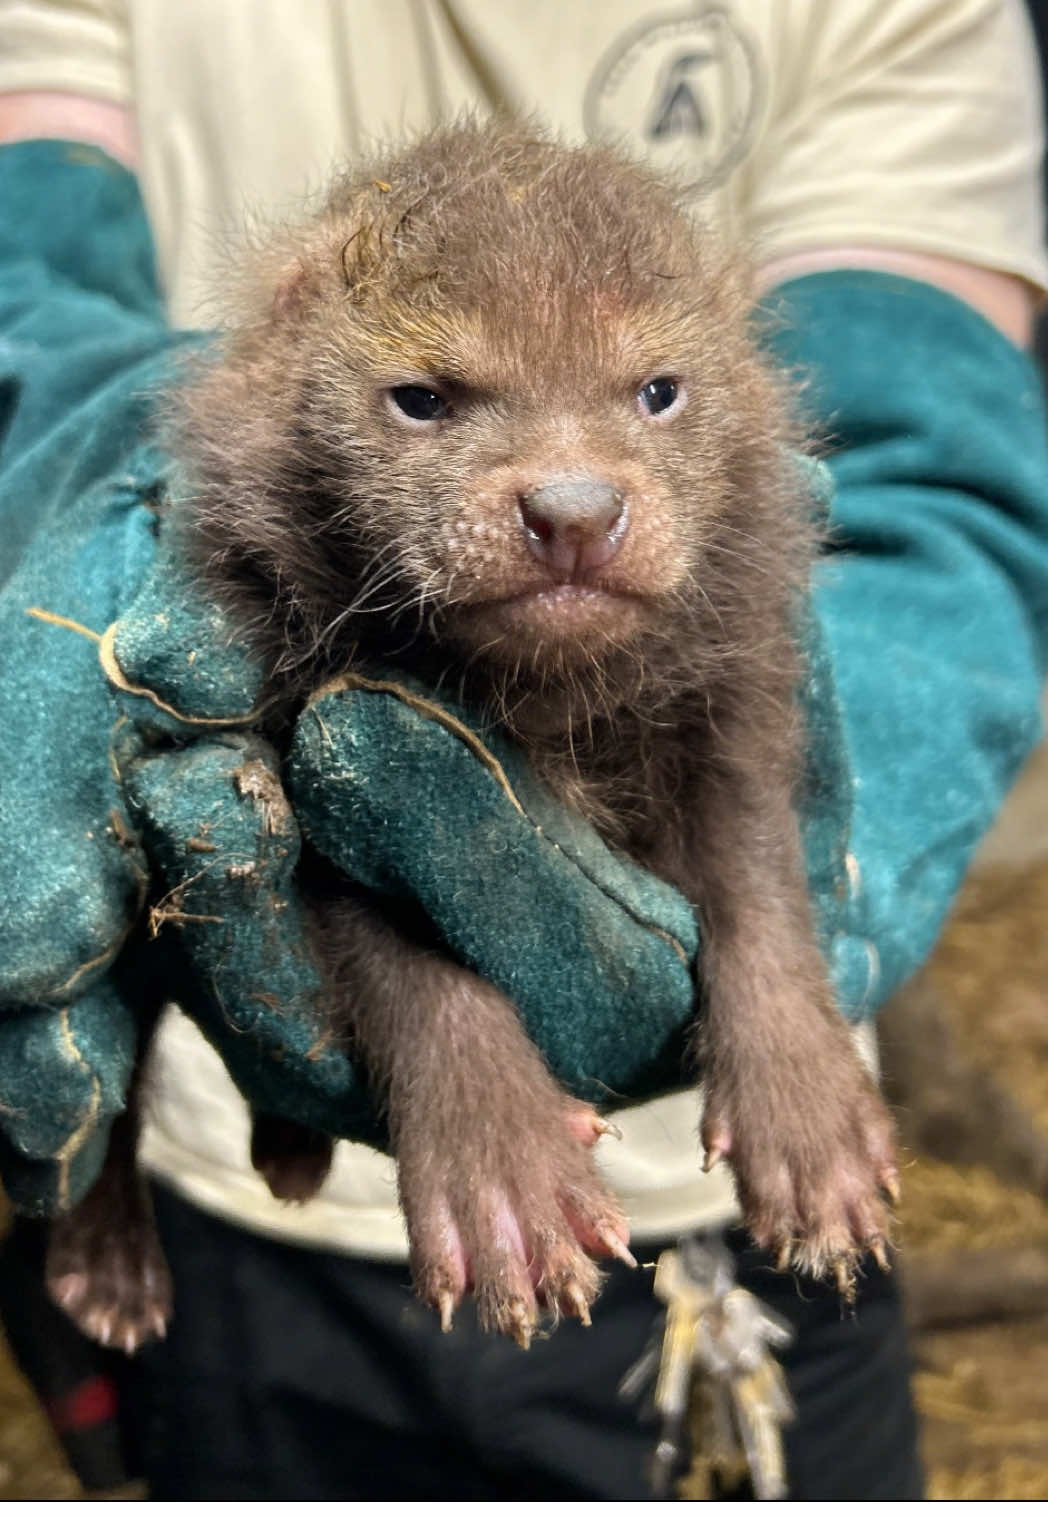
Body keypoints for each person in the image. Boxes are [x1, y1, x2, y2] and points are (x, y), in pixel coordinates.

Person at [2, 0, 1048, 1500]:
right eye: (431, 397)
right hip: (236, 1199)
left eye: (655, 394)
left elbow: (923, 500)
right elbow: (25, 263)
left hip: (714, 1198)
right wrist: (65, 425)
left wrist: (793, 942)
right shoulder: (272, 506)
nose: (571, 488)